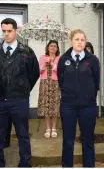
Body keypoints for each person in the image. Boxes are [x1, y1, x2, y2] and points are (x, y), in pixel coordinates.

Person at [0, 18, 40, 167]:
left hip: (19, 101)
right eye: (3, 31)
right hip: (1, 100)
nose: (6, 34)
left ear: (16, 31)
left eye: (9, 31)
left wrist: (23, 89)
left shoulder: (26, 52)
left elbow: (34, 73)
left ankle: (25, 163)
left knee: (22, 134)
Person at [57, 29, 100, 167]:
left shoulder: (92, 60)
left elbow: (96, 82)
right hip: (68, 106)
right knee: (68, 140)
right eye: (77, 39)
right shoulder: (63, 59)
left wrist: (89, 96)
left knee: (88, 140)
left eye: (82, 40)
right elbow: (61, 80)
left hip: (88, 106)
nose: (80, 42)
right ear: (71, 41)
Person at [38, 40, 61, 139]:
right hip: (45, 83)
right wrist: (44, 64)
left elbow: (60, 71)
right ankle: (48, 128)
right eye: (51, 46)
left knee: (54, 105)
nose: (52, 48)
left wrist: (52, 64)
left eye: (55, 46)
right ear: (48, 47)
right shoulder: (42, 57)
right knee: (46, 106)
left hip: (55, 83)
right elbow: (39, 71)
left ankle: (54, 128)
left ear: (57, 48)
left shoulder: (60, 58)